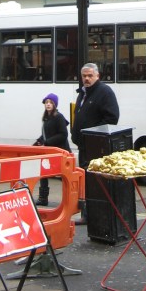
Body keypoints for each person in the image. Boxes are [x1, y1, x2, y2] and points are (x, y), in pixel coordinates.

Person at [71, 62, 120, 222]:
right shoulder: (83, 93)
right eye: (84, 76)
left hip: (96, 145)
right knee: (86, 181)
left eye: (90, 75)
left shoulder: (104, 92)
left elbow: (112, 118)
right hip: (84, 144)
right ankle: (87, 214)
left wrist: (93, 134)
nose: (87, 78)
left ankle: (96, 215)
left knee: (95, 182)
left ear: (97, 76)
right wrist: (75, 134)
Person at [33, 93, 71, 206]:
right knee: (43, 173)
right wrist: (38, 142)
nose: (48, 105)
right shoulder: (46, 118)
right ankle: (43, 198)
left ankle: (69, 199)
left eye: (50, 103)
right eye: (46, 102)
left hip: (60, 152)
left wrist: (47, 142)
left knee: (63, 177)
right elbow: (46, 134)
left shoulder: (58, 117)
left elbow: (63, 134)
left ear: (54, 105)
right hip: (50, 151)